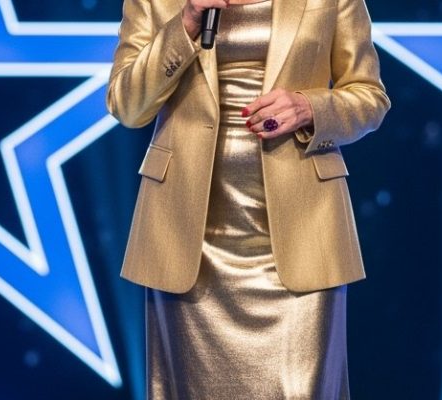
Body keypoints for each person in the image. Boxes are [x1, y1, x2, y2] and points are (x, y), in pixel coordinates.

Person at [106, 0, 390, 397]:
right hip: (190, 238)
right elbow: (127, 105)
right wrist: (185, 24)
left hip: (301, 231)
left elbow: (370, 98)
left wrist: (309, 107)